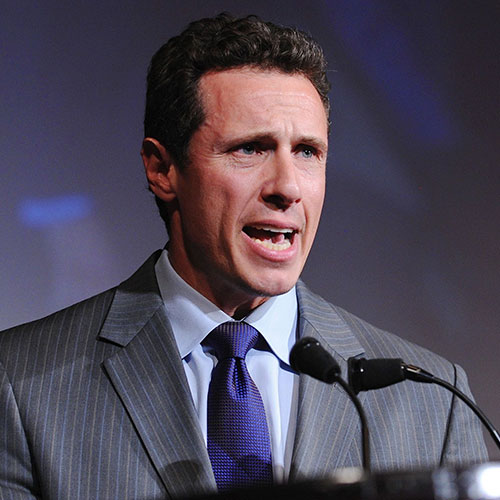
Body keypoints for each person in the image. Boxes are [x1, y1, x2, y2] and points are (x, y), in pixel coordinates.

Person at [0, 13, 488, 500]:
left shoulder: (431, 399)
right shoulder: (20, 385)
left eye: (307, 151)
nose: (287, 187)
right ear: (162, 168)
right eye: (250, 149)